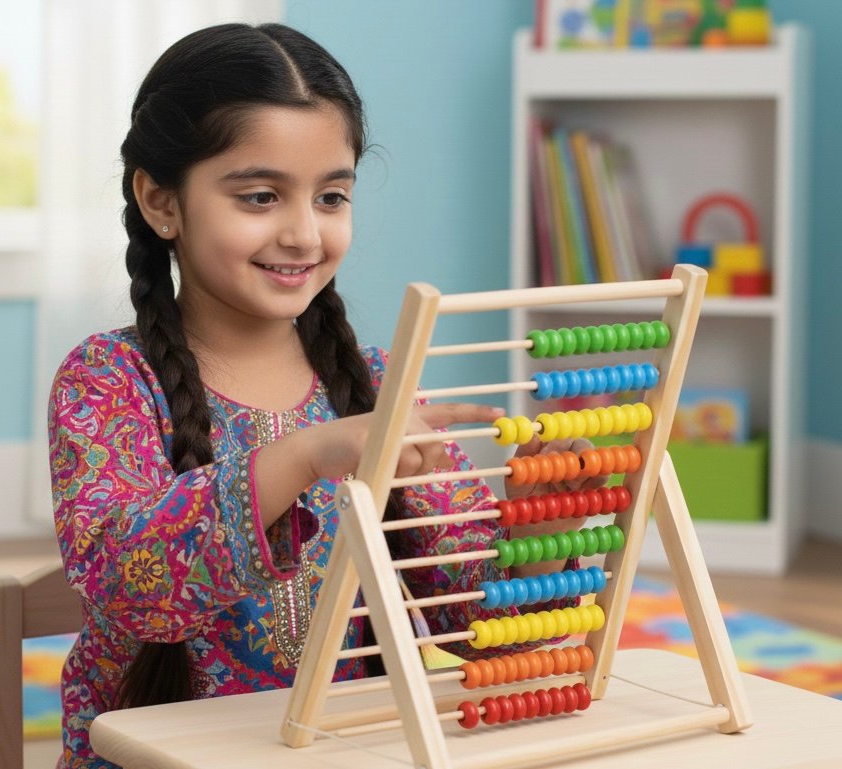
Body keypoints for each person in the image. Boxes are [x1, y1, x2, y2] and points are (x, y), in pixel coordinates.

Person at [48, 22, 583, 769]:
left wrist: (548, 535)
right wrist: (302, 455)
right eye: (261, 196)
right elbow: (128, 581)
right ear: (161, 201)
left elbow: (461, 620)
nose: (304, 234)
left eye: (332, 196)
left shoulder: (376, 383)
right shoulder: (106, 381)